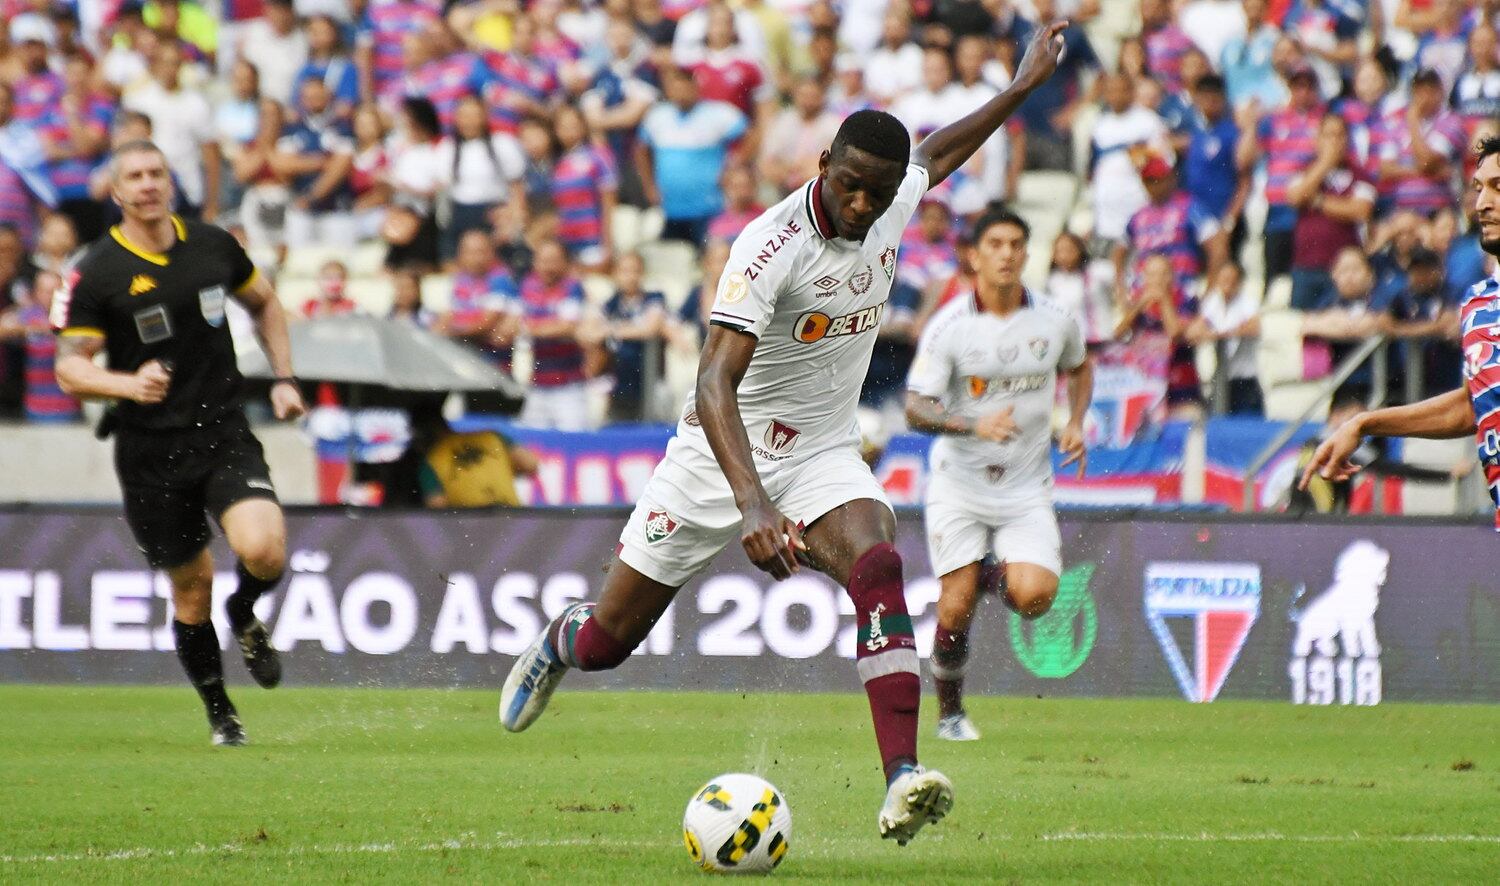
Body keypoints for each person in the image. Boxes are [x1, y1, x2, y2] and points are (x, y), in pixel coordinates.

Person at [499, 22, 1070, 846]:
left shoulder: (888, 202)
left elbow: (939, 153)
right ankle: (559, 640)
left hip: (822, 453)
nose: (864, 205)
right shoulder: (770, 248)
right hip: (718, 455)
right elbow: (712, 381)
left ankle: (903, 777)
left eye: (877, 191)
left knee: (877, 561)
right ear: (821, 167)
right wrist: (754, 504)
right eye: (849, 187)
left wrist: (1021, 87)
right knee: (607, 643)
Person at [50, 140, 307, 746]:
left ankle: (244, 613)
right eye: (134, 176)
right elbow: (69, 368)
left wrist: (285, 378)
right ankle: (222, 716)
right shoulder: (94, 271)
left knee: (264, 550)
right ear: (116, 193)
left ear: (171, 182)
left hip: (221, 430)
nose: (147, 184)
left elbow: (265, 302)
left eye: (156, 173)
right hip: (149, 452)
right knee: (191, 590)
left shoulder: (214, 245)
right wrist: (125, 383)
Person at [904, 207, 1092, 742]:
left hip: (1026, 485)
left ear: (1026, 253)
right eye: (995, 244)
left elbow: (1079, 368)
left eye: (1016, 244)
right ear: (974, 255)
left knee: (1035, 598)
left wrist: (1075, 421)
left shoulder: (1056, 320)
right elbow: (916, 407)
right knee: (955, 607)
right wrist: (971, 423)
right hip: (959, 484)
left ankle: (990, 574)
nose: (1007, 253)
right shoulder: (951, 326)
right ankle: (950, 714)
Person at [1303, 136, 1500, 523]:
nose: (1482, 204)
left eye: (1499, 187)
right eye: (1479, 188)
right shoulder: (1479, 303)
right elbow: (1470, 406)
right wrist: (1365, 423)